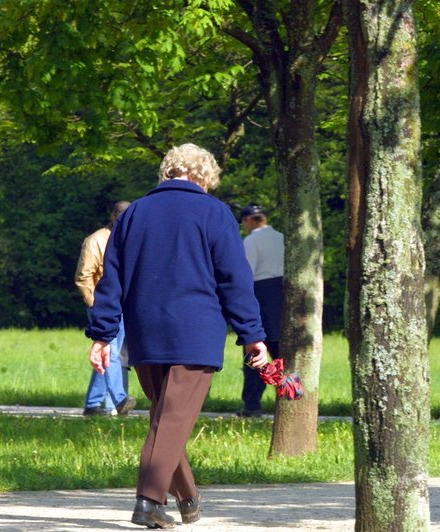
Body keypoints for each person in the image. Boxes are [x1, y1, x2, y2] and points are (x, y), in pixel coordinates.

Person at [87, 143, 269, 528]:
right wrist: (253, 334)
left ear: (168, 172)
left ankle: (187, 498)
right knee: (170, 421)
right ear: (204, 176)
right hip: (195, 333)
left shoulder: (134, 212)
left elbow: (111, 279)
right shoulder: (215, 213)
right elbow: (235, 280)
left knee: (165, 419)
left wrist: (102, 335)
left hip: (145, 332)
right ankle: (149, 500)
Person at [75, 201, 136, 416]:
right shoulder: (95, 240)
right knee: (110, 354)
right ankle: (119, 400)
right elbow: (84, 278)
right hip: (104, 307)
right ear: (113, 217)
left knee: (112, 354)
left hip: (125, 307)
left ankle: (93, 405)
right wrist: (97, 308)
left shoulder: (131, 239)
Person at [238, 204, 285, 417]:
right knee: (281, 353)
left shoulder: (251, 241)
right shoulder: (282, 237)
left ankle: (252, 403)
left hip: (261, 295)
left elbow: (246, 273)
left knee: (255, 349)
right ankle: (289, 396)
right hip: (284, 296)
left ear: (249, 220)